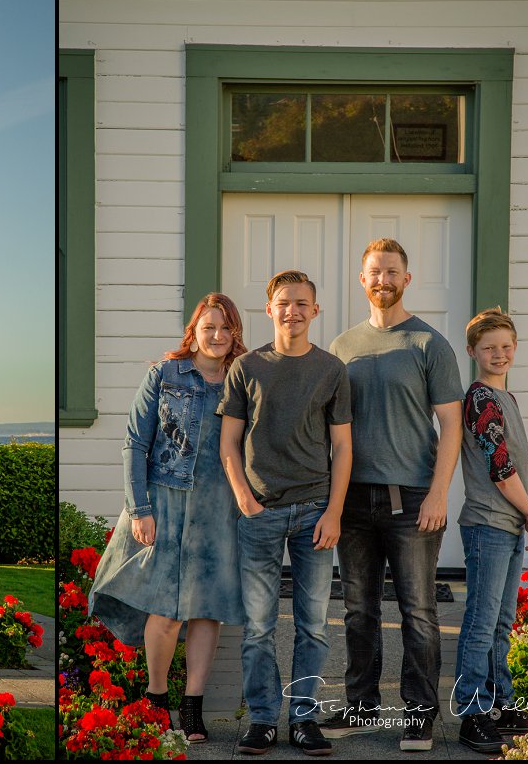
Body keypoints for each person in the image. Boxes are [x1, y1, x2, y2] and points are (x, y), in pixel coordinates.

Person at [320, 239, 464, 751]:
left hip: (414, 499)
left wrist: (439, 493)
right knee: (358, 610)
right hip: (354, 501)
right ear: (362, 280)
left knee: (419, 611)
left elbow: (452, 425)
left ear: (407, 279)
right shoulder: (342, 347)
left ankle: (419, 716)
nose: (382, 279)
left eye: (392, 271)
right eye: (374, 272)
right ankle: (360, 708)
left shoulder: (429, 344)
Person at [90, 293, 250, 742]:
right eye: (209, 327)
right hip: (164, 503)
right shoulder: (163, 374)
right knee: (164, 610)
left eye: (226, 328)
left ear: (235, 333)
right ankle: (156, 699)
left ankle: (193, 707)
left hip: (220, 507)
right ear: (194, 331)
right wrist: (139, 509)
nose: (217, 336)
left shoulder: (243, 380)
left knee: (206, 609)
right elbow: (134, 444)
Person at [219, 269, 352, 756]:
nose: (292, 311)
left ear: (315, 311)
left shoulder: (331, 370)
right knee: (258, 627)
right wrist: (244, 499)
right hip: (260, 512)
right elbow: (229, 442)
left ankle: (303, 719)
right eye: (283, 303)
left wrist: (334, 512)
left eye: (302, 303)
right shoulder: (247, 368)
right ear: (269, 309)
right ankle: (261, 720)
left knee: (313, 625)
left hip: (315, 510)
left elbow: (343, 447)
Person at [454, 308, 528, 754]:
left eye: (506, 347)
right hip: (488, 525)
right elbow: (501, 467)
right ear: (472, 351)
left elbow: (524, 461)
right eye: (490, 348)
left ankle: (500, 703)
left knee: (502, 623)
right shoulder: (479, 400)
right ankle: (471, 711)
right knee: (480, 622)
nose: (499, 354)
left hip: (511, 521)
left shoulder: (506, 398)